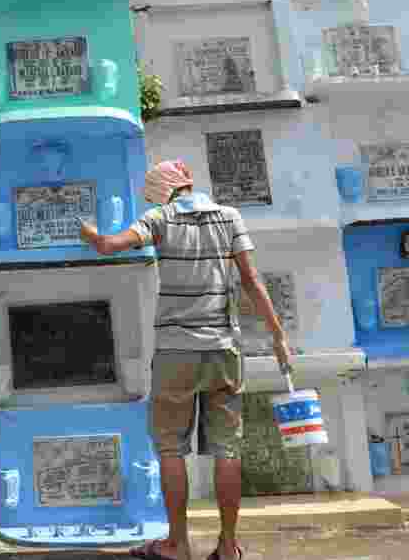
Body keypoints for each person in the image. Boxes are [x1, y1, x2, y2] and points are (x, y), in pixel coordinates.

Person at [79, 160, 292, 560]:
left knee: (171, 449)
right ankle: (228, 547)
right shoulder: (230, 217)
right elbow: (252, 280)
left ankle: (177, 544)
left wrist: (89, 233)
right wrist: (278, 335)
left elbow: (112, 245)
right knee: (228, 449)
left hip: (176, 352)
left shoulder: (159, 217)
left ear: (162, 191)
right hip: (224, 349)